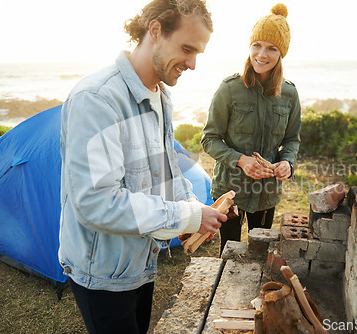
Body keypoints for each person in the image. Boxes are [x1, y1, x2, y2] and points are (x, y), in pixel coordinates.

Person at [58, 1, 226, 333]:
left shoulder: (161, 94)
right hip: (103, 275)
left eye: (198, 54)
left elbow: (167, 170)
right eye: (187, 49)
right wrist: (187, 217)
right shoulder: (98, 99)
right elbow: (97, 203)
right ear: (155, 31)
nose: (192, 64)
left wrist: (194, 210)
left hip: (142, 263)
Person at [201, 3, 301, 256]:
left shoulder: (289, 93)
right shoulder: (229, 88)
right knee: (229, 253)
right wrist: (241, 160)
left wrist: (287, 163)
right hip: (230, 191)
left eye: (272, 48)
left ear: (281, 54)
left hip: (266, 193)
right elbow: (210, 139)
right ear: (249, 47)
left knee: (261, 254)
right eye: (257, 45)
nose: (262, 54)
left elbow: (291, 140)